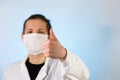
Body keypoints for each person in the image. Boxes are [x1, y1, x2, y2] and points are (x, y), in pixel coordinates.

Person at [3, 14, 90, 80]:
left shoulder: (61, 67)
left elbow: (82, 76)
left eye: (40, 32)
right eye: (30, 32)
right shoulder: (10, 71)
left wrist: (63, 54)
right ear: (23, 37)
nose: (34, 36)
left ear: (48, 37)